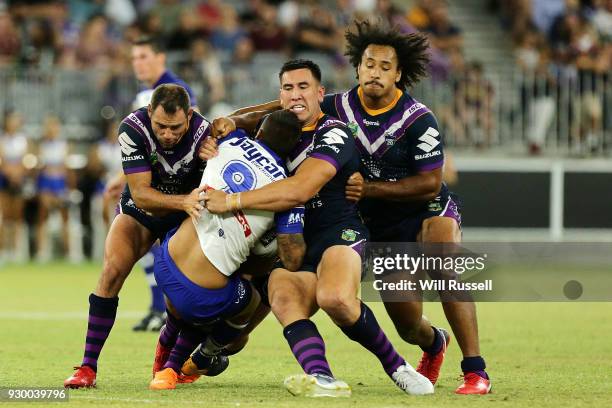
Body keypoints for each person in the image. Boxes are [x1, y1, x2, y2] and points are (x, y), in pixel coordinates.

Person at [203, 60, 434, 397]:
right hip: (295, 240)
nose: (295, 95)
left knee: (335, 298)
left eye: (303, 87)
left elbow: (300, 189)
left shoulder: (334, 132)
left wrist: (232, 201)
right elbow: (229, 144)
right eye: (288, 88)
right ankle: (322, 378)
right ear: (279, 95)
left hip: (340, 235)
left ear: (320, 94)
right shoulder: (274, 133)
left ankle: (398, 367)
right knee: (282, 296)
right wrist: (217, 134)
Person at [322, 20, 490, 394]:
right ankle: (434, 343)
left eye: (385, 67)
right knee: (407, 323)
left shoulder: (418, 119)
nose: (375, 72)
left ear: (399, 73)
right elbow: (290, 106)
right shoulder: (335, 107)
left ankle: (476, 371)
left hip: (426, 209)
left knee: (443, 265)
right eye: (369, 64)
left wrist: (369, 189)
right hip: (383, 228)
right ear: (357, 67)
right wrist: (236, 119)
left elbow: (430, 182)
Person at [64, 84, 209, 389]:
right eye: (161, 126)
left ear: (190, 116)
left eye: (176, 127)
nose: (168, 134)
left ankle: (168, 359)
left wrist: (223, 136)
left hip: (184, 218)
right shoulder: (132, 128)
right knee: (112, 270)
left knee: (181, 294)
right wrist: (183, 200)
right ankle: (87, 367)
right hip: (144, 209)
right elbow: (142, 195)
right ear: (149, 115)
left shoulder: (205, 133)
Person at [150, 109, 306, 390]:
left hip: (164, 260)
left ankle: (165, 344)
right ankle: (190, 363)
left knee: (206, 272)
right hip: (199, 296)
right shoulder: (284, 192)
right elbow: (290, 256)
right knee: (249, 301)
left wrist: (229, 123)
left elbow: (227, 120)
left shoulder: (231, 139)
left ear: (258, 133)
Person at [104, 35, 200, 332]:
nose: (138, 63)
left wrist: (123, 178)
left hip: (173, 186)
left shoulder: (172, 91)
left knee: (161, 244)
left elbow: (180, 137)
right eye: (134, 58)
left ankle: (165, 309)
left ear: (161, 58)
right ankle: (157, 306)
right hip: (149, 182)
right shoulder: (146, 92)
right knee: (145, 245)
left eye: (144, 56)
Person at [35, 115, 71, 261]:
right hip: (45, 183)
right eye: (49, 126)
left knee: (64, 217)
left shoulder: (64, 145)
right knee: (43, 216)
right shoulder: (40, 145)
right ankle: (42, 252)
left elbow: (65, 167)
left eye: (54, 126)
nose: (51, 129)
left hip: (60, 183)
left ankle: (68, 252)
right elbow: (39, 166)